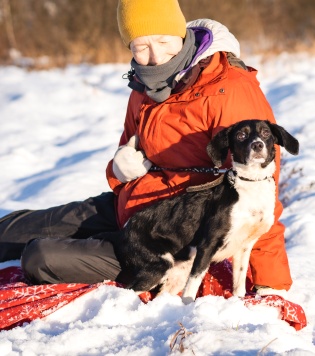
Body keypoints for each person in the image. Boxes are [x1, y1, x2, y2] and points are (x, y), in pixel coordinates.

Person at [0, 0, 292, 297]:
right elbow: (126, 149)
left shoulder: (228, 88)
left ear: (181, 34)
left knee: (41, 256)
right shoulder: (143, 85)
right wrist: (119, 168)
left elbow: (262, 189)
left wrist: (271, 284)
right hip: (130, 204)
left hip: (168, 235)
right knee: (9, 231)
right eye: (141, 46)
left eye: (164, 41)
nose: (154, 57)